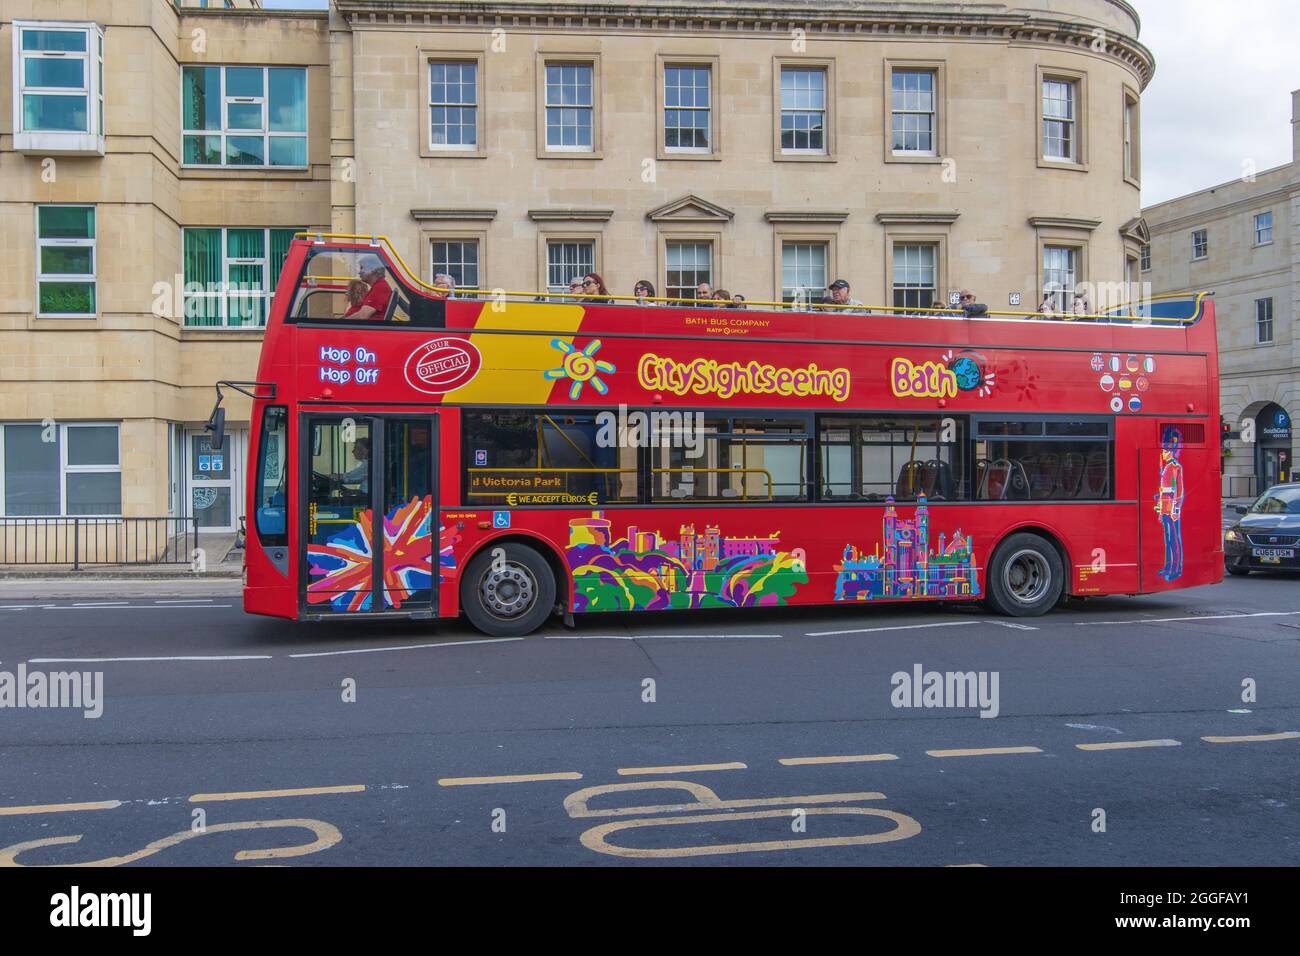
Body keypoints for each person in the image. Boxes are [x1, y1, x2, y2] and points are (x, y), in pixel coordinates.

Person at [344, 254, 392, 320]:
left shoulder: (380, 287)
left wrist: (341, 322)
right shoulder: (376, 287)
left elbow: (363, 316)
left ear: (372, 270)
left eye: (362, 268)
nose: (359, 272)